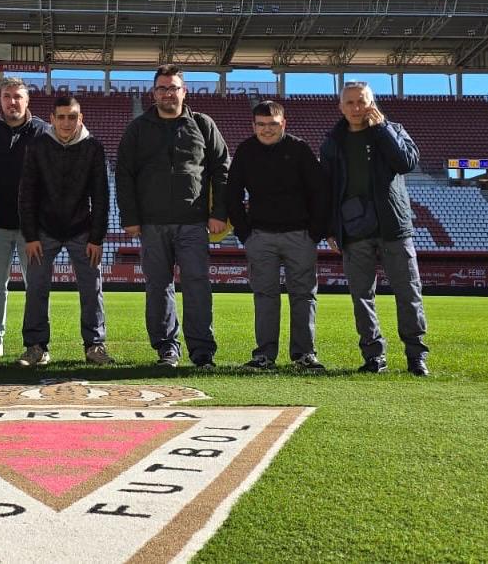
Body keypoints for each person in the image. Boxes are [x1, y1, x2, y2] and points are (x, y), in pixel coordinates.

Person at [115, 64, 230, 369]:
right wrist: (130, 217)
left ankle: (202, 352)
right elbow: (124, 175)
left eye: (173, 87)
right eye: (162, 88)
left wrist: (219, 212)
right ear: (154, 93)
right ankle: (167, 349)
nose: (168, 93)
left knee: (197, 285)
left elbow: (222, 170)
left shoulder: (204, 125)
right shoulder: (138, 128)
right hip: (152, 224)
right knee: (157, 287)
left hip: (194, 223)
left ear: (184, 91)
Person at [320, 81, 430, 376]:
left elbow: (406, 162)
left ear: (372, 102)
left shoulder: (393, 129)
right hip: (354, 229)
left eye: (362, 101)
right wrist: (331, 228)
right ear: (341, 107)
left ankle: (416, 356)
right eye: (350, 103)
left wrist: (382, 129)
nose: (357, 108)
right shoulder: (332, 142)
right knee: (361, 296)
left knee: (408, 293)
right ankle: (373, 355)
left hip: (393, 225)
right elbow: (328, 189)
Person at [227, 100, 329, 372]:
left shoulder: (299, 149)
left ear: (283, 123)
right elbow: (233, 194)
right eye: (261, 125)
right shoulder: (246, 151)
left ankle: (304, 355)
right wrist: (245, 233)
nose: (267, 130)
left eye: (273, 124)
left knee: (304, 295)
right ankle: (264, 356)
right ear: (253, 125)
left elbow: (319, 191)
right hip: (261, 236)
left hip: (300, 235)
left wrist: (315, 232)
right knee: (264, 296)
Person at [17, 95, 112, 367]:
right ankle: (36, 347)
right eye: (61, 117)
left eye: (72, 116)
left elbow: (101, 195)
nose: (67, 122)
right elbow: (27, 193)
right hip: (44, 231)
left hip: (82, 229)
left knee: (91, 288)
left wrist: (96, 237)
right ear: (52, 119)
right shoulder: (37, 146)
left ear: (80, 118)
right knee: (36, 288)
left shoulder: (93, 147)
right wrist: (31, 235)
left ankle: (94, 345)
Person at [0, 77, 48, 357]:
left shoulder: (43, 131)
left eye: (18, 96)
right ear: (0, 100)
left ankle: (38, 343)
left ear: (27, 100)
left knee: (37, 287)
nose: (12, 101)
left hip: (34, 229)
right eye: (7, 96)